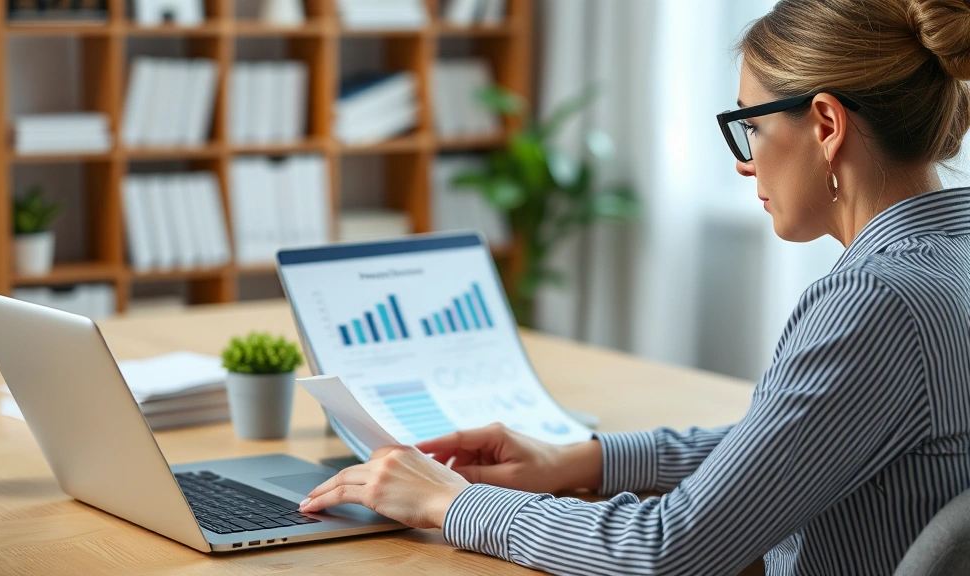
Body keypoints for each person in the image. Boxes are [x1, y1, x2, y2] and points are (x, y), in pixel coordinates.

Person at [299, 0, 970, 573]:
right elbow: (798, 447)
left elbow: (666, 551)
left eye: (753, 127)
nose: (745, 164)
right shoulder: (950, 259)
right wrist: (578, 462)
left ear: (826, 126)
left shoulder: (877, 304)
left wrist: (447, 502)